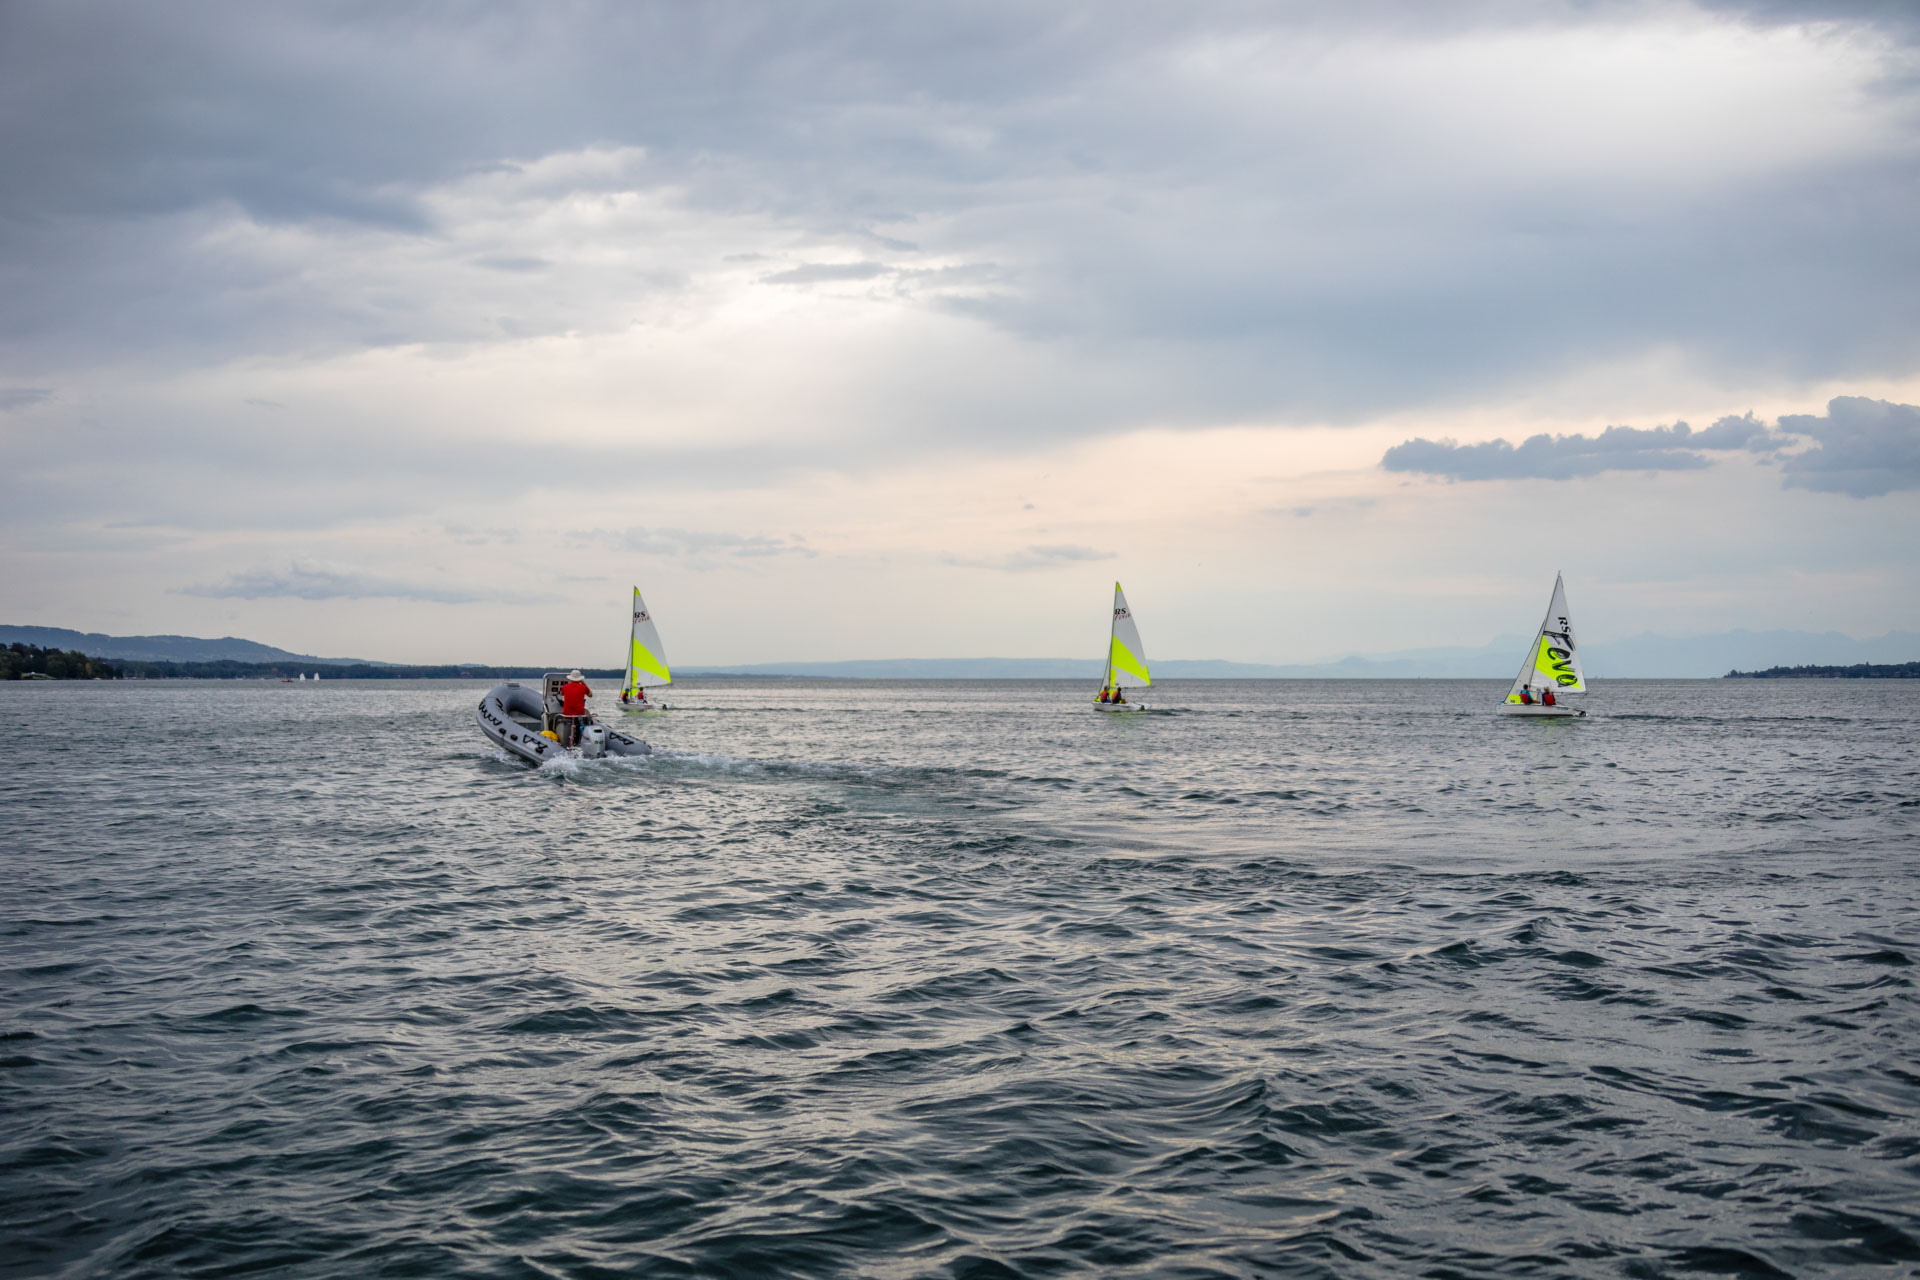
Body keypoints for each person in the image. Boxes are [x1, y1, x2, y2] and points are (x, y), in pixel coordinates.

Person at [560, 669, 592, 745]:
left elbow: (561, 694)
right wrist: (583, 682)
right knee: (589, 717)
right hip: (579, 714)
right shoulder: (583, 687)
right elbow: (590, 695)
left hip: (567, 714)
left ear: (570, 678)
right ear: (580, 678)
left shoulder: (565, 687)